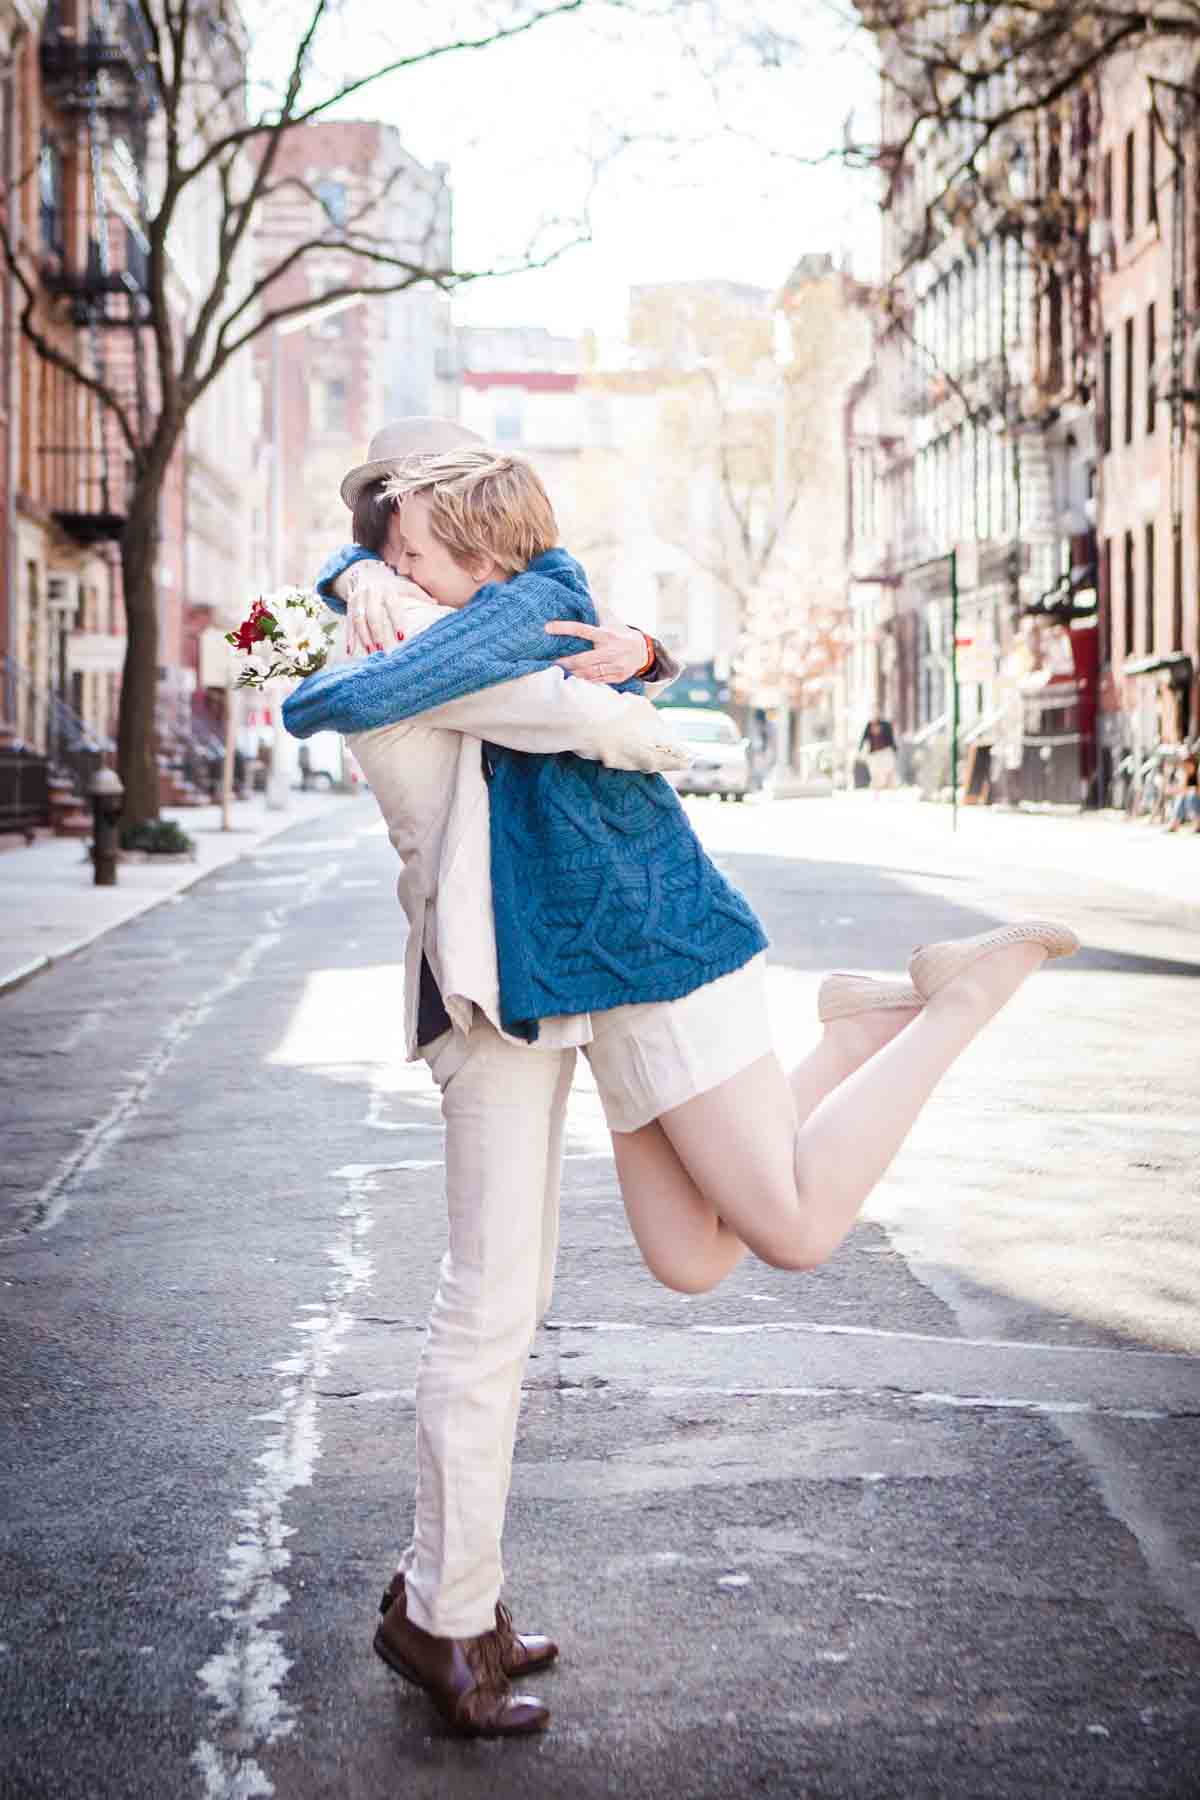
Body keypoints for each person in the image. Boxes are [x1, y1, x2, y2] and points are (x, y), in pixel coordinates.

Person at [284, 446, 1079, 1740]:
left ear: (477, 556)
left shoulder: (508, 625)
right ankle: (442, 1609)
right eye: (385, 541)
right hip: (490, 995)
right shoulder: (380, 630)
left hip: (585, 959)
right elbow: (592, 725)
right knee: (489, 1303)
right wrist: (356, 586)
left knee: (551, 1288)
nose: (397, 562)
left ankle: (454, 1602)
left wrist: (636, 651)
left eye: (414, 545)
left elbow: (595, 685)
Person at [859, 711, 898, 791]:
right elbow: (864, 738)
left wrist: (894, 749)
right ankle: (877, 791)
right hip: (874, 753)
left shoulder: (886, 725)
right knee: (875, 772)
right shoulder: (869, 725)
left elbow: (891, 738)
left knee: (888, 770)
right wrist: (860, 749)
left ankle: (890, 789)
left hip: (885, 751)